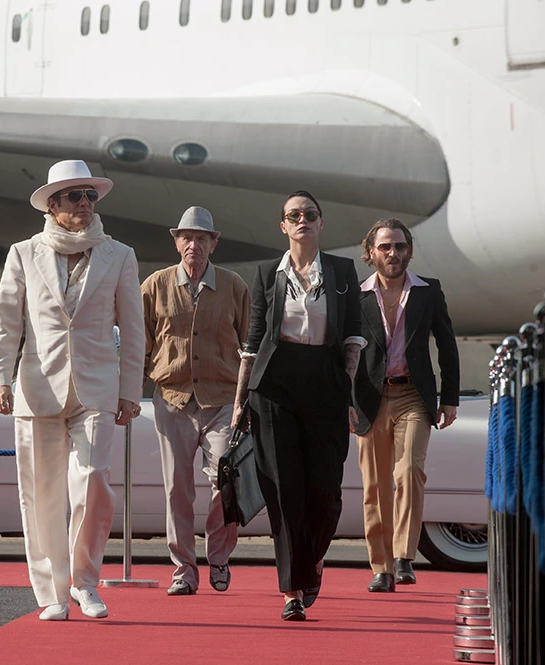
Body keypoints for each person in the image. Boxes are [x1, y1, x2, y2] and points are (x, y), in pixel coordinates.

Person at [0, 159, 144, 622]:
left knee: (93, 482)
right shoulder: (23, 253)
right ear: (52, 205)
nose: (84, 203)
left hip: (98, 388)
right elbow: (5, 323)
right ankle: (53, 594)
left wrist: (130, 390)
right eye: (75, 196)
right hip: (37, 386)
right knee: (41, 494)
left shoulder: (120, 255)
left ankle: (85, 582)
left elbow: (134, 329)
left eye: (90, 195)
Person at [233, 190, 365, 622]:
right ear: (283, 226)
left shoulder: (343, 271)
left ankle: (314, 558)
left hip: (326, 380)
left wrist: (346, 393)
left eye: (309, 213)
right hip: (274, 384)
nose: (302, 219)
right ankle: (292, 590)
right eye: (294, 215)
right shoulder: (267, 273)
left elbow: (353, 336)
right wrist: (239, 402)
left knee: (325, 492)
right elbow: (253, 343)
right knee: (284, 487)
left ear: (321, 222)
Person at [141, 206, 250, 596]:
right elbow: (141, 343)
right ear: (176, 242)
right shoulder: (155, 285)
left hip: (222, 400)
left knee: (226, 479)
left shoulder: (234, 286)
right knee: (177, 489)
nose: (194, 245)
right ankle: (184, 570)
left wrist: (247, 400)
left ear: (213, 244)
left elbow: (249, 346)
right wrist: (128, 392)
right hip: (172, 400)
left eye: (201, 238)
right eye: (186, 238)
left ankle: (218, 556)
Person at [351, 218, 460, 593]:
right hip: (369, 398)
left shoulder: (428, 291)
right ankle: (381, 567)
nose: (393, 253)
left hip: (413, 394)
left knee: (410, 470)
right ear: (371, 253)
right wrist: (344, 401)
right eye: (385, 247)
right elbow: (342, 352)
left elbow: (447, 345)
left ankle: (403, 556)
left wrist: (449, 398)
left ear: (409, 251)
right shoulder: (356, 295)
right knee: (375, 485)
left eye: (399, 246)